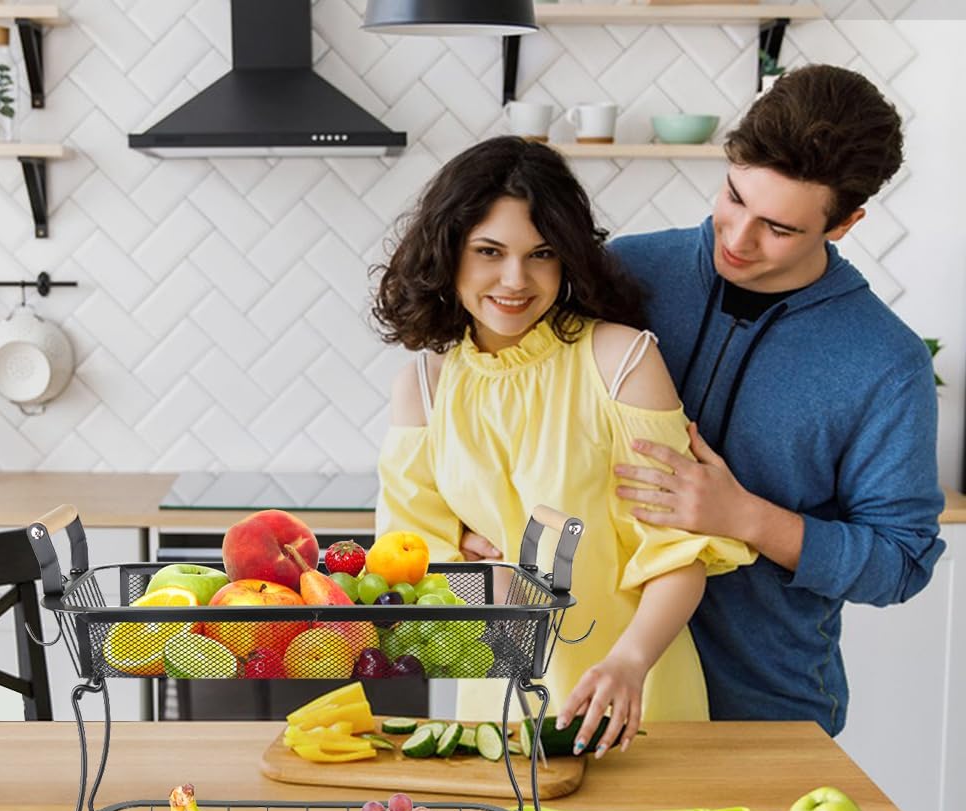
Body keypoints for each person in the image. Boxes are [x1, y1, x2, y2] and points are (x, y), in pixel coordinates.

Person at [371, 136, 754, 757]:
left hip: (633, 701)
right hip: (492, 713)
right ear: (448, 253)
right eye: (489, 251)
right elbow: (405, 573)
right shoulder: (423, 388)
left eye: (541, 254)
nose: (515, 280)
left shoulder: (621, 360)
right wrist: (468, 570)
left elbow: (676, 553)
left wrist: (629, 663)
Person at [602, 64, 946, 737]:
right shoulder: (624, 274)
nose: (737, 239)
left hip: (762, 712)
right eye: (734, 197)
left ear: (844, 224)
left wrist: (748, 518)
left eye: (780, 229)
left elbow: (901, 563)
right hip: (585, 686)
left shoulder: (886, 362)